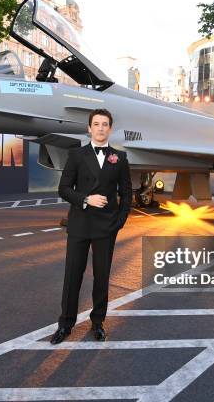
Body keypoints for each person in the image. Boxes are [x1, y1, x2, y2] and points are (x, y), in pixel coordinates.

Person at [50, 108, 132, 345]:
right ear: (89, 128)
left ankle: (98, 322)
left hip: (105, 227)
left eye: (105, 124)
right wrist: (86, 199)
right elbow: (64, 189)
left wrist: (119, 222)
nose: (100, 128)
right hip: (79, 224)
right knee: (72, 276)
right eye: (96, 124)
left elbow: (126, 194)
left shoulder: (120, 158)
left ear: (110, 129)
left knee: (102, 277)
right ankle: (65, 325)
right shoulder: (76, 155)